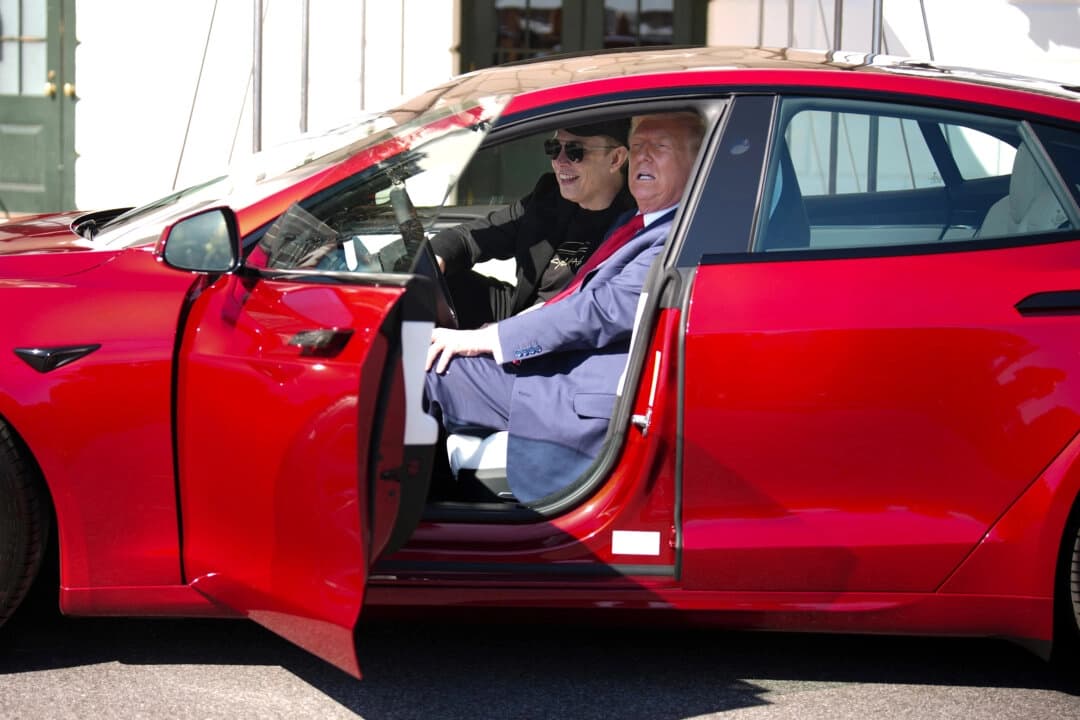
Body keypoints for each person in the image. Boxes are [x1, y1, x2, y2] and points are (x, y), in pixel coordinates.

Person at [423, 111, 706, 503]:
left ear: (696, 164)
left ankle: (414, 518)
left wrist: (489, 339)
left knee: (421, 370)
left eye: (659, 148)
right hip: (547, 351)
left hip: (568, 385)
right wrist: (430, 259)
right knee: (429, 341)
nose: (560, 161)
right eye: (640, 145)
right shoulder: (635, 222)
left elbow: (598, 310)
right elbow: (487, 234)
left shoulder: (671, 236)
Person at [431, 121, 635, 328]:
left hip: (564, 332)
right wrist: (432, 261)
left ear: (616, 159)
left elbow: (588, 311)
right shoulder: (548, 196)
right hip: (519, 311)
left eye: (575, 151)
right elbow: (470, 238)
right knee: (428, 281)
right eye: (554, 149)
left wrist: (503, 334)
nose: (559, 161)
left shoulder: (634, 223)